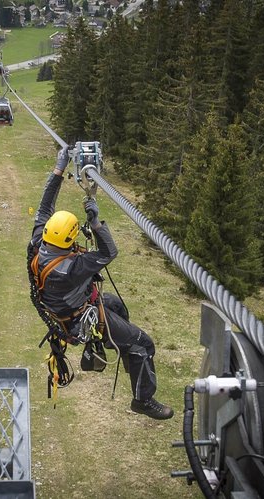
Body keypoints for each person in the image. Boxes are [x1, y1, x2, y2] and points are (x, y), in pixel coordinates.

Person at [27, 146, 173, 420]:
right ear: (71, 240)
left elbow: (46, 204)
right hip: (79, 317)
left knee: (116, 305)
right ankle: (143, 399)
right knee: (144, 343)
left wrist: (59, 169)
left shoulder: (38, 243)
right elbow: (109, 253)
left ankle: (120, 349)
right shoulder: (71, 268)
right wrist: (95, 222)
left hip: (66, 310)